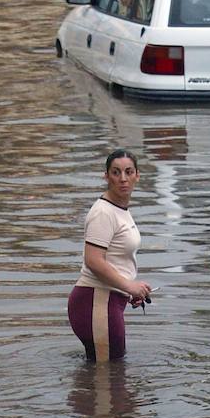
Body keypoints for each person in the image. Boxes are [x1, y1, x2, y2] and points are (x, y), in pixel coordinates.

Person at [67, 148, 152, 362]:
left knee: (109, 374)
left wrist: (130, 289)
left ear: (137, 176)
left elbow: (117, 260)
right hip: (95, 301)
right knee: (108, 378)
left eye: (128, 172)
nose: (123, 179)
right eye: (116, 172)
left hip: (108, 300)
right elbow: (93, 260)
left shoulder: (119, 209)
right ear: (106, 176)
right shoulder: (103, 212)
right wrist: (129, 286)